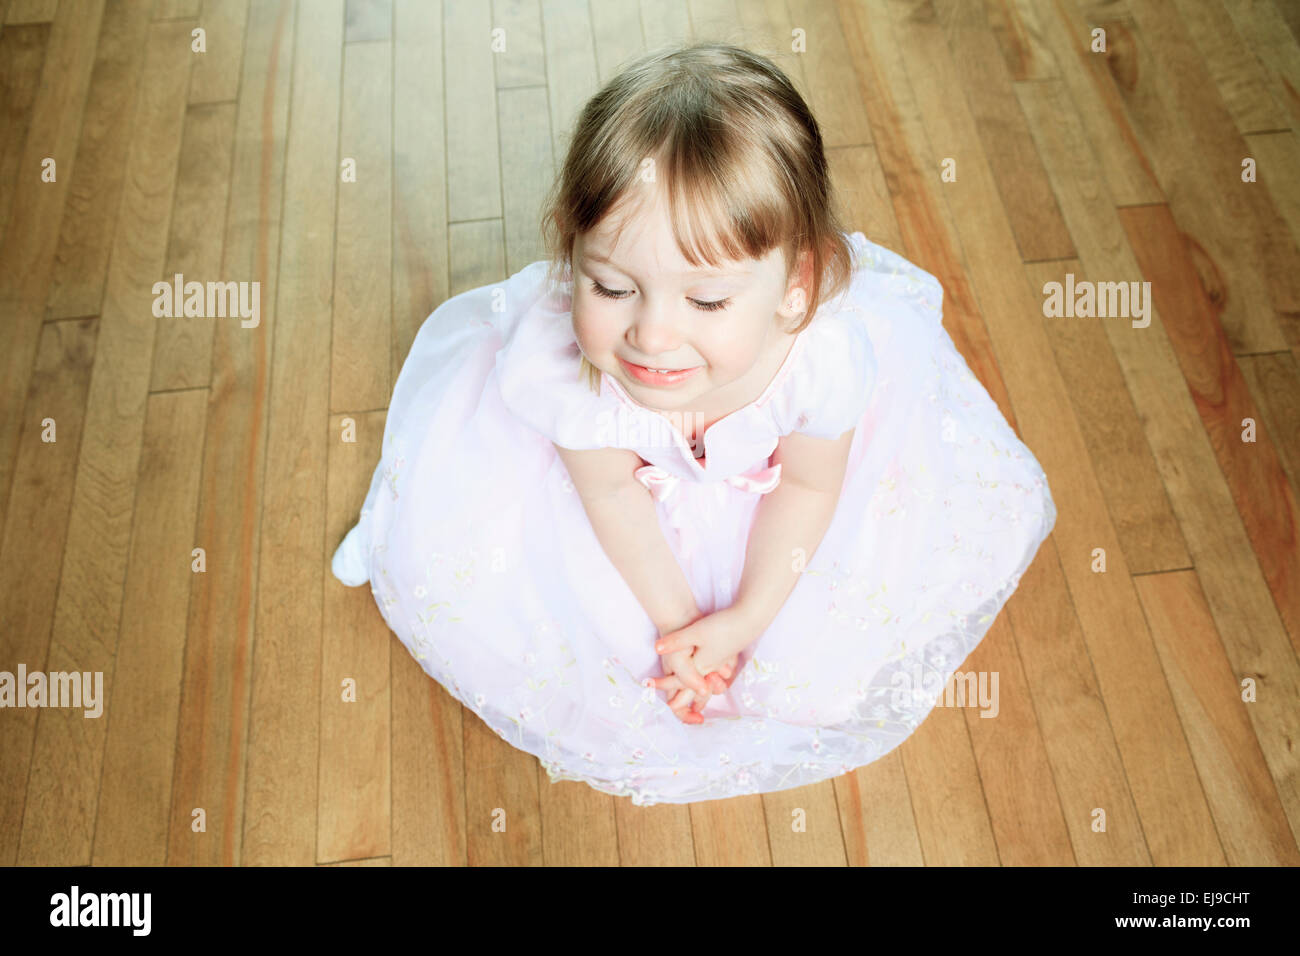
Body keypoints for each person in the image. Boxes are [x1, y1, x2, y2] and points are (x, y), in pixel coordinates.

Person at [331, 43, 1056, 806]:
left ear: (795, 287)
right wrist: (683, 635)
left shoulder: (820, 364)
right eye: (611, 286)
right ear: (571, 253)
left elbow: (808, 489)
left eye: (705, 302)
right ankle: (399, 517)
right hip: (626, 512)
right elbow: (611, 498)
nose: (651, 335)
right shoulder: (564, 371)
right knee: (487, 573)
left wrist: (744, 620)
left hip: (786, 511)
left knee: (823, 667)